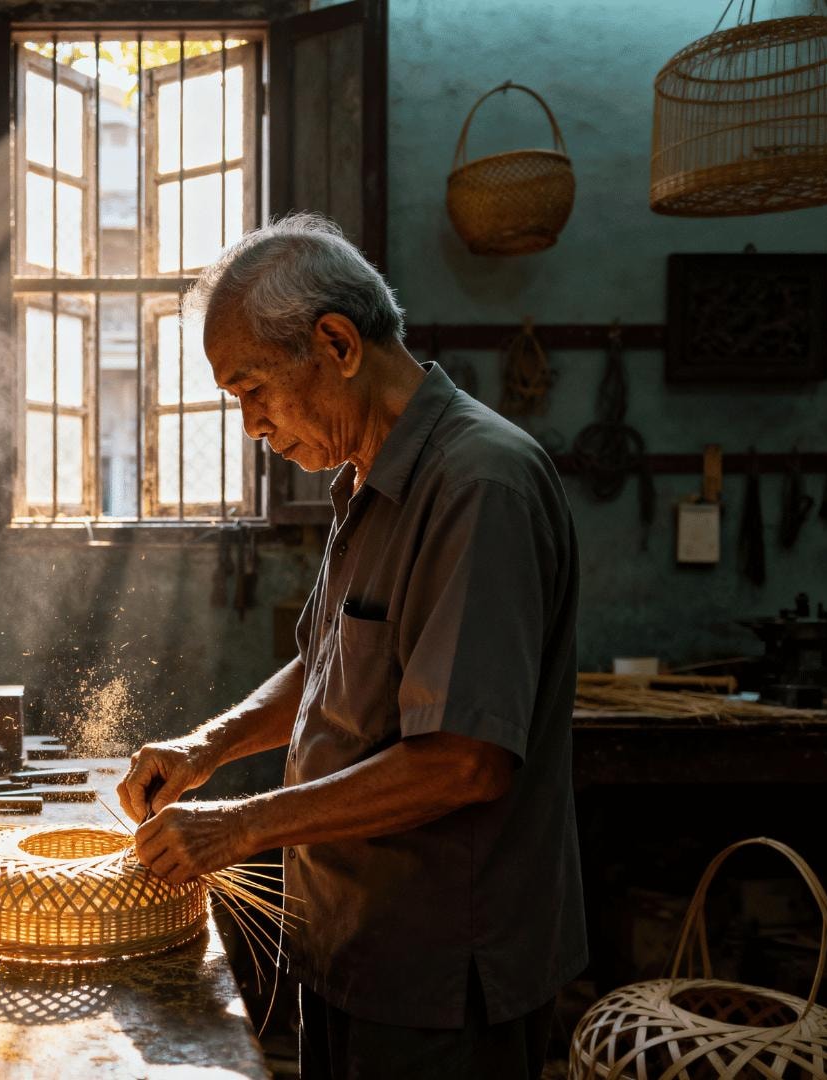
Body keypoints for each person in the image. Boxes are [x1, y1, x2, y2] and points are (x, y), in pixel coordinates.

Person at [117, 213, 586, 1080]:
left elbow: (462, 763)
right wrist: (207, 745)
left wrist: (238, 826)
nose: (251, 424)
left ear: (335, 343)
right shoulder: (365, 478)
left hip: (444, 973)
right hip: (347, 944)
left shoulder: (479, 483)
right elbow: (334, 663)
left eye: (252, 388)